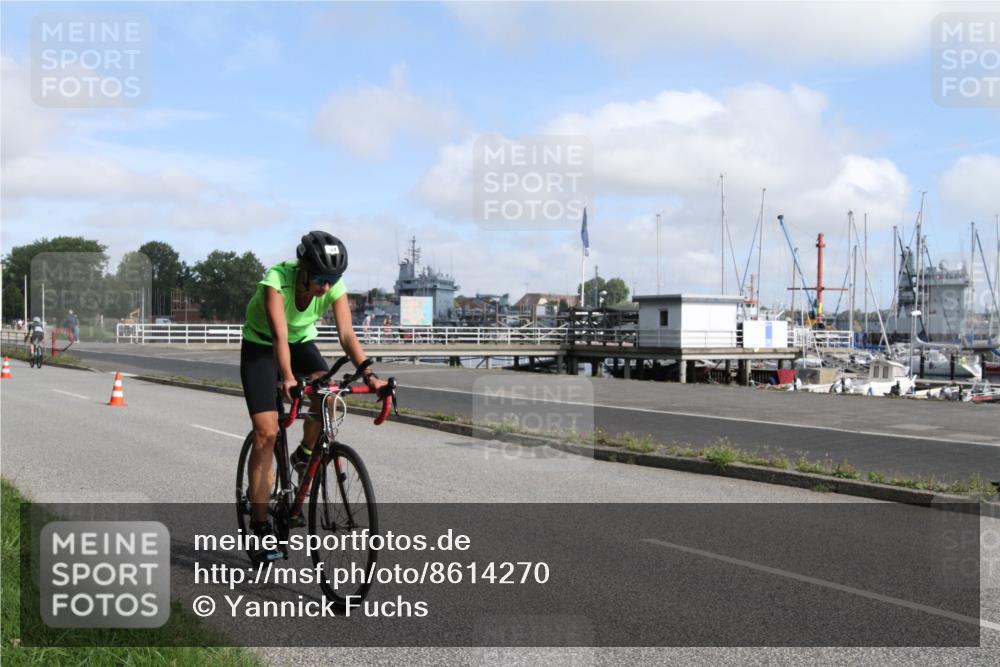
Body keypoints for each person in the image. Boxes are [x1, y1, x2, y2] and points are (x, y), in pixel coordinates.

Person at [240, 231, 386, 563]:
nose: (325, 286)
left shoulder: (333, 286)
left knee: (330, 396)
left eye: (331, 279)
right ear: (302, 268)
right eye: (319, 277)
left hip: (301, 343)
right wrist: (288, 378)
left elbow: (347, 334)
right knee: (267, 432)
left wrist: (370, 375)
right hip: (261, 345)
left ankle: (305, 453)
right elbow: (278, 333)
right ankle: (261, 526)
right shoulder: (277, 279)